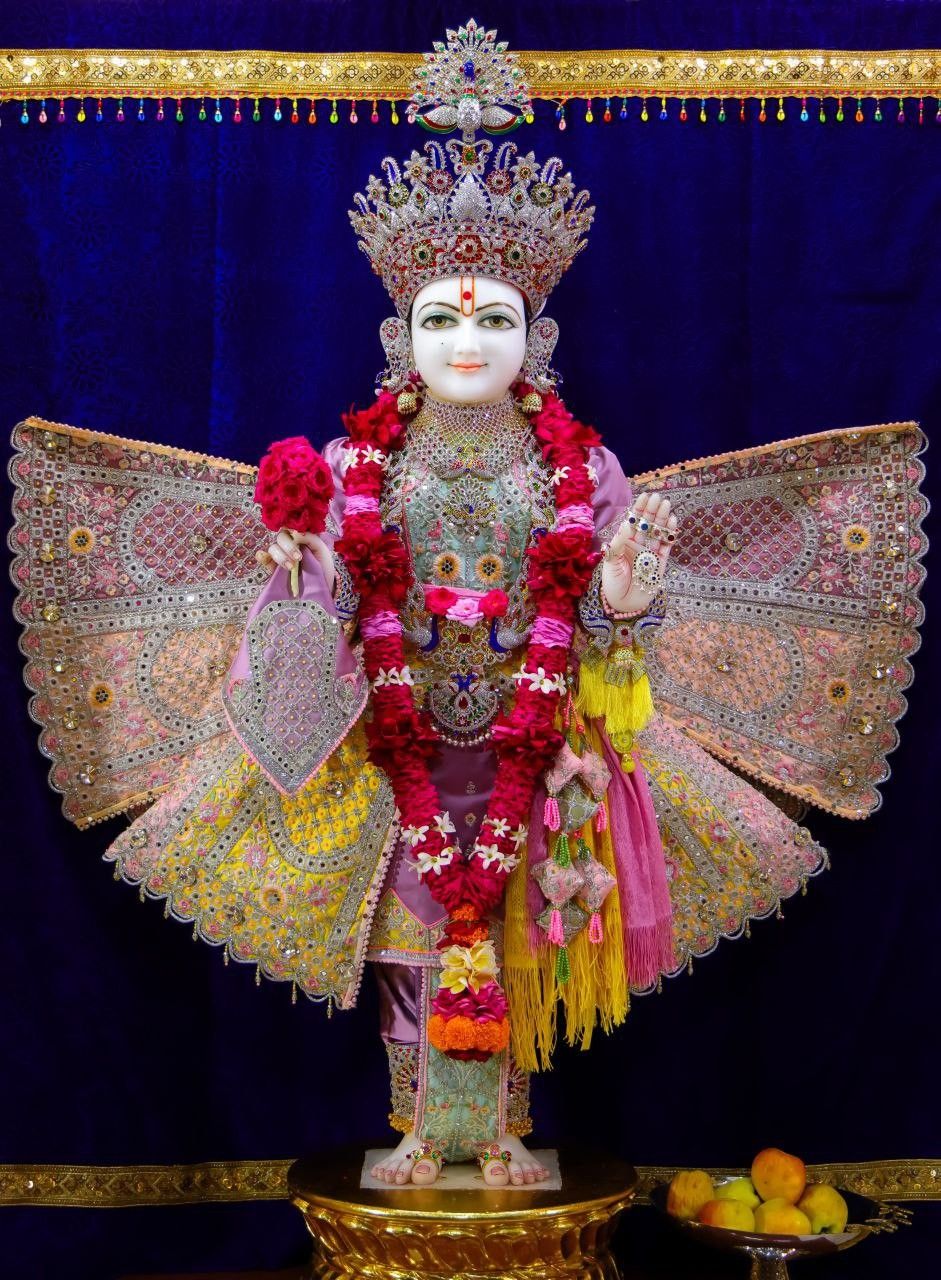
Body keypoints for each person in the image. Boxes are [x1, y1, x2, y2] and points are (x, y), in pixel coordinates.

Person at [10, 19, 926, 1190]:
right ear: (399, 333)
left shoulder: (575, 466)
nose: (465, 340)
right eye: (441, 317)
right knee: (408, 939)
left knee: (517, 935)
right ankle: (417, 1132)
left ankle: (496, 1131)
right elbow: (328, 612)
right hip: (391, 744)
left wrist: (625, 600)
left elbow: (597, 624)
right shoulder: (357, 466)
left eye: (491, 317)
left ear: (534, 337)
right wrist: (303, 574)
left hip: (534, 740)